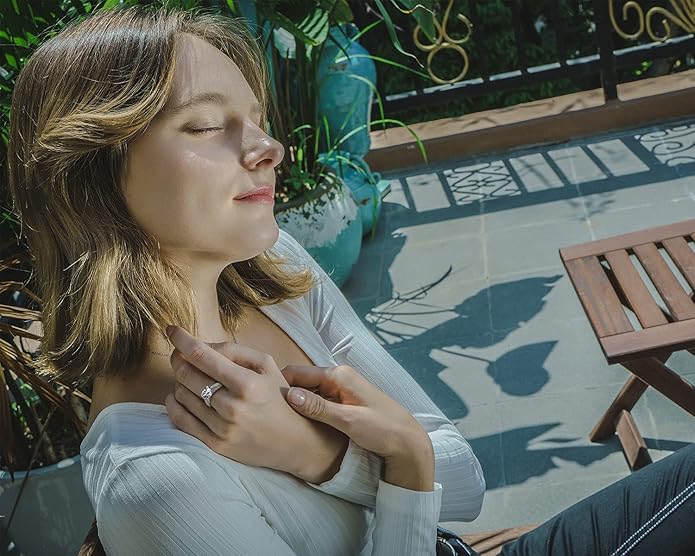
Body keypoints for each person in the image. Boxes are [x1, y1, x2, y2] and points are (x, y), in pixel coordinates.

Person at [6, 5, 693, 556]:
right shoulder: (158, 482)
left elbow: (464, 480)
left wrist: (312, 451)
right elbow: (430, 466)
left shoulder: (276, 274)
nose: (269, 148)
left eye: (258, 121)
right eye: (208, 124)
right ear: (91, 179)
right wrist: (403, 461)